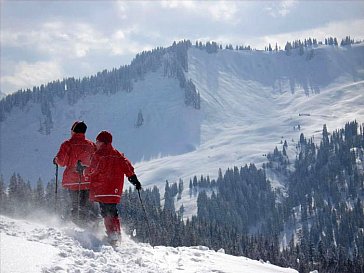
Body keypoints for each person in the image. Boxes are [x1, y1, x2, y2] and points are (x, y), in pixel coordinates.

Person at [85, 130, 141, 244]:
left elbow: (92, 170)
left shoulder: (98, 155)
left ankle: (113, 235)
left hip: (102, 189)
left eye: (97, 141)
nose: (96, 143)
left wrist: (84, 171)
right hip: (114, 191)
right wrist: (134, 180)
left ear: (103, 142)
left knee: (106, 212)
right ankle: (116, 233)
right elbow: (128, 168)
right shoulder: (118, 155)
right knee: (112, 211)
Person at [54, 121, 97, 226]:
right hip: (87, 180)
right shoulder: (91, 145)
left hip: (73, 181)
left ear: (73, 131)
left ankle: (79, 227)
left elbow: (62, 161)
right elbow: (96, 162)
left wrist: (56, 160)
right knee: (87, 205)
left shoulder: (67, 144)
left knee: (76, 205)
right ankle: (92, 226)